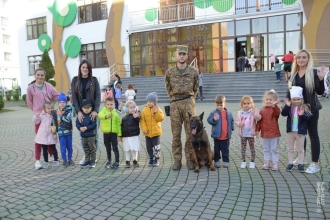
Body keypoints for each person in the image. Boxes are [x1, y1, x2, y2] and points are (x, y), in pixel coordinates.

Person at [287, 49, 326, 174]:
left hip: (311, 109)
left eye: (304, 57)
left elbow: (320, 92)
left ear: (308, 59)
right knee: (300, 134)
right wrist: (287, 100)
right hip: (297, 110)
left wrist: (320, 79)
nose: (301, 60)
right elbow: (290, 91)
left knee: (313, 135)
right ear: (296, 60)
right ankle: (301, 159)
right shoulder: (294, 74)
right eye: (299, 57)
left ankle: (315, 163)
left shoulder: (313, 73)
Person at [164, 45, 199, 170]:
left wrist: (189, 99)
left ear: (187, 56)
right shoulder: (169, 72)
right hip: (175, 104)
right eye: (180, 54)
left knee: (190, 133)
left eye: (184, 54)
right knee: (176, 134)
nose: (182, 56)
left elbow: (196, 88)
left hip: (189, 103)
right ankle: (177, 160)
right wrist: (175, 99)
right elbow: (168, 88)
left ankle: (189, 159)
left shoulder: (194, 71)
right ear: (176, 55)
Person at [26, 68, 59, 169]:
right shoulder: (30, 88)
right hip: (39, 117)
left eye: (42, 75)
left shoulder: (48, 86)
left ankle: (52, 156)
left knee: (51, 135)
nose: (40, 77)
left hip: (50, 115)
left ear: (45, 76)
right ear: (34, 75)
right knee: (40, 139)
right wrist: (37, 112)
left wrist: (64, 101)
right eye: (38, 75)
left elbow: (56, 96)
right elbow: (29, 102)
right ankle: (37, 160)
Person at [71, 59, 101, 165]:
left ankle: (93, 156)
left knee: (94, 135)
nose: (85, 69)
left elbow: (98, 96)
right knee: (82, 135)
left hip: (92, 112)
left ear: (89, 69)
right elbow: (74, 97)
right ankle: (87, 155)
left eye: (87, 67)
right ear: (80, 68)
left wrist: (96, 110)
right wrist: (78, 111)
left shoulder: (94, 80)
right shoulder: (75, 80)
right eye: (83, 67)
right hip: (81, 112)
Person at [281, 86, 311, 173]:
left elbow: (308, 118)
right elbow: (283, 114)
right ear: (291, 100)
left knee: (301, 149)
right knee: (290, 148)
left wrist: (302, 115)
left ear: (301, 99)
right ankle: (290, 163)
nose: (296, 101)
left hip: (300, 132)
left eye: (298, 99)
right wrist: (287, 105)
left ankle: (300, 163)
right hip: (291, 131)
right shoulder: (290, 107)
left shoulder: (305, 107)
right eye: (294, 99)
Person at [256, 89, 281, 171]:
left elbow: (277, 113)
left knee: (274, 149)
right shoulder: (262, 110)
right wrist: (257, 130)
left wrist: (274, 106)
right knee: (266, 149)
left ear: (274, 100)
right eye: (267, 99)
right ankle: (266, 162)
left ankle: (275, 163)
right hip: (264, 134)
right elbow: (259, 121)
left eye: (271, 100)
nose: (268, 101)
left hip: (274, 134)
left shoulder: (274, 109)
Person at [207, 95, 234, 168]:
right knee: (217, 149)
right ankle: (217, 160)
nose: (219, 107)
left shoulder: (228, 113)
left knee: (225, 149)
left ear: (225, 103)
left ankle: (226, 160)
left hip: (225, 136)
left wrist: (232, 129)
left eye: (221, 105)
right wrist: (214, 120)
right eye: (217, 105)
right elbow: (209, 120)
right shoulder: (213, 113)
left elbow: (231, 121)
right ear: (215, 104)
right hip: (217, 136)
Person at [235, 95, 261, 169]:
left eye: (248, 103)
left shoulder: (253, 111)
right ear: (242, 104)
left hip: (251, 134)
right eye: (244, 103)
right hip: (243, 134)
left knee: (252, 148)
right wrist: (239, 124)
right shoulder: (240, 112)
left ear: (251, 104)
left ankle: (252, 161)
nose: (246, 105)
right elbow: (237, 121)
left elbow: (259, 118)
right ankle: (243, 161)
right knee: (243, 148)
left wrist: (254, 113)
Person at [140, 92, 165, 166]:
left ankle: (157, 159)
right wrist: (144, 129)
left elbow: (161, 119)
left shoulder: (158, 109)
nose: (149, 103)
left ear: (154, 102)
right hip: (147, 133)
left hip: (156, 133)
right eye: (147, 101)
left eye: (150, 102)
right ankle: (151, 158)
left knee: (156, 147)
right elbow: (142, 121)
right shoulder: (144, 110)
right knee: (148, 147)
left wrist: (156, 112)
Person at [33, 102, 59, 169]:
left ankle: (56, 160)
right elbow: (36, 121)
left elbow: (54, 125)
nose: (50, 110)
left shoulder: (53, 116)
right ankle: (46, 161)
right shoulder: (42, 116)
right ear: (45, 109)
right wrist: (36, 116)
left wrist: (54, 134)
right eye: (48, 109)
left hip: (51, 135)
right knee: (44, 149)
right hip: (43, 136)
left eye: (51, 108)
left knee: (53, 148)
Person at [98, 97, 121, 169]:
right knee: (108, 148)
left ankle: (117, 161)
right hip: (106, 134)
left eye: (111, 104)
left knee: (115, 148)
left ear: (114, 104)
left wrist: (119, 135)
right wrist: (106, 116)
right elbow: (99, 115)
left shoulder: (115, 113)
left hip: (114, 134)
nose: (110, 106)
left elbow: (118, 125)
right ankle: (109, 160)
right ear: (105, 105)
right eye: (108, 104)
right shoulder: (103, 111)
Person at [76, 100, 97, 168]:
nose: (87, 109)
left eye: (88, 108)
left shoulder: (92, 115)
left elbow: (94, 125)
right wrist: (80, 128)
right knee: (86, 148)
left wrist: (87, 128)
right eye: (85, 108)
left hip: (91, 136)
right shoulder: (80, 115)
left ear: (91, 108)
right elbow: (77, 123)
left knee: (92, 148)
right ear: (82, 108)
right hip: (83, 135)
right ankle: (87, 160)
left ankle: (93, 161)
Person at [120, 101, 141, 168]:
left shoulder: (135, 116)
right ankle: (127, 161)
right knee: (127, 149)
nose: (133, 109)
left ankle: (135, 160)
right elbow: (121, 127)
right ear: (126, 109)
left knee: (135, 149)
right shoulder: (123, 118)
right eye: (131, 107)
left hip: (134, 136)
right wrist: (121, 136)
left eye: (134, 107)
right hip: (126, 137)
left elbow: (139, 119)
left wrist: (138, 115)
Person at [56, 93, 74, 167]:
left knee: (69, 147)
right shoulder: (56, 112)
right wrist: (54, 133)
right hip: (61, 134)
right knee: (63, 147)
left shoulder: (69, 110)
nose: (62, 104)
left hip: (68, 132)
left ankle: (70, 159)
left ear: (66, 103)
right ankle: (64, 160)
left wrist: (61, 116)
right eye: (60, 102)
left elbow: (68, 119)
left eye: (64, 102)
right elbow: (53, 122)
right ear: (58, 103)